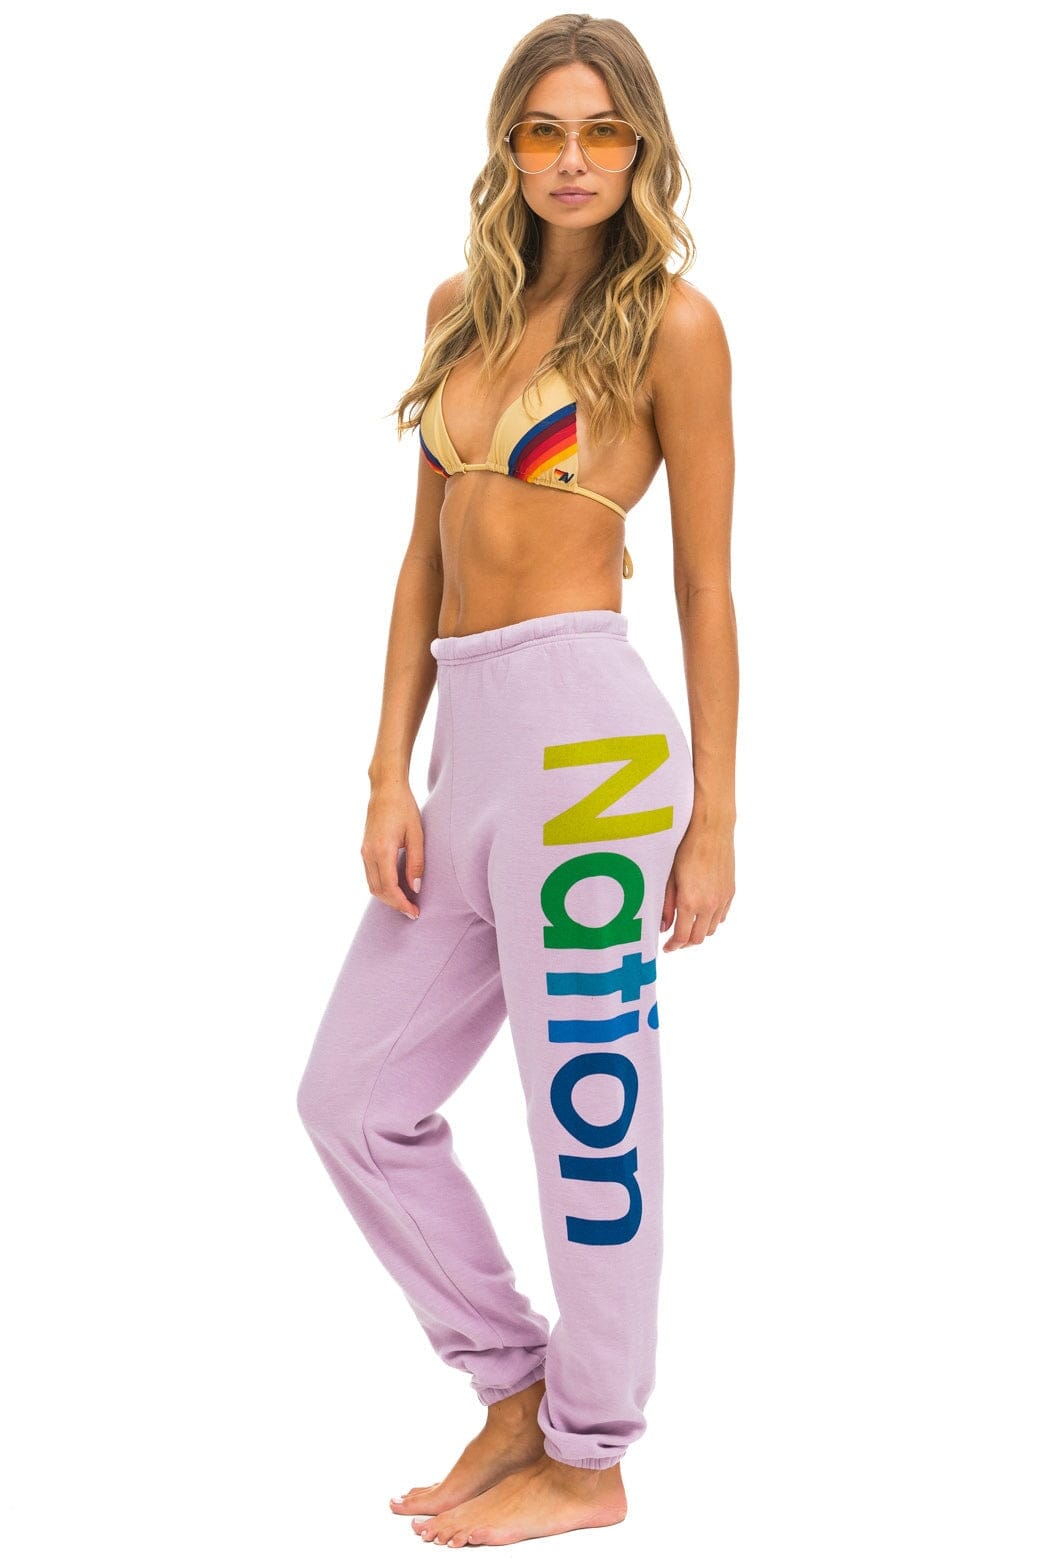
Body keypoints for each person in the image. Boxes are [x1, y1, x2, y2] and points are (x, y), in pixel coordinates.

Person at [296, 14, 737, 1547]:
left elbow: (704, 586)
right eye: (543, 130)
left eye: (602, 131)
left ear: (642, 146)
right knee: (352, 1099)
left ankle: (591, 1451)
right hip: (468, 751)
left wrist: (717, 818)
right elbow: (420, 564)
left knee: (588, 1118)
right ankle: (513, 1383)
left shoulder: (673, 326)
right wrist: (387, 772)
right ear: (507, 148)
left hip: (594, 754)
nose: (572, 160)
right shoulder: (457, 312)